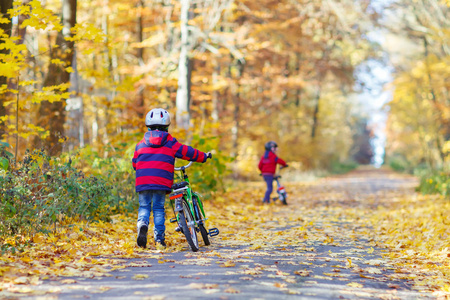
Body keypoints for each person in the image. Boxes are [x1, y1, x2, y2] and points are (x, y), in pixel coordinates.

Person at [132, 108, 211, 249]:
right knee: (158, 209)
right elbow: (187, 152)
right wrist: (203, 157)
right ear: (167, 125)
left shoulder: (140, 144)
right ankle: (159, 240)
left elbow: (134, 163)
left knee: (144, 206)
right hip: (161, 182)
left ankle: (142, 224)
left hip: (143, 181)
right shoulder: (170, 142)